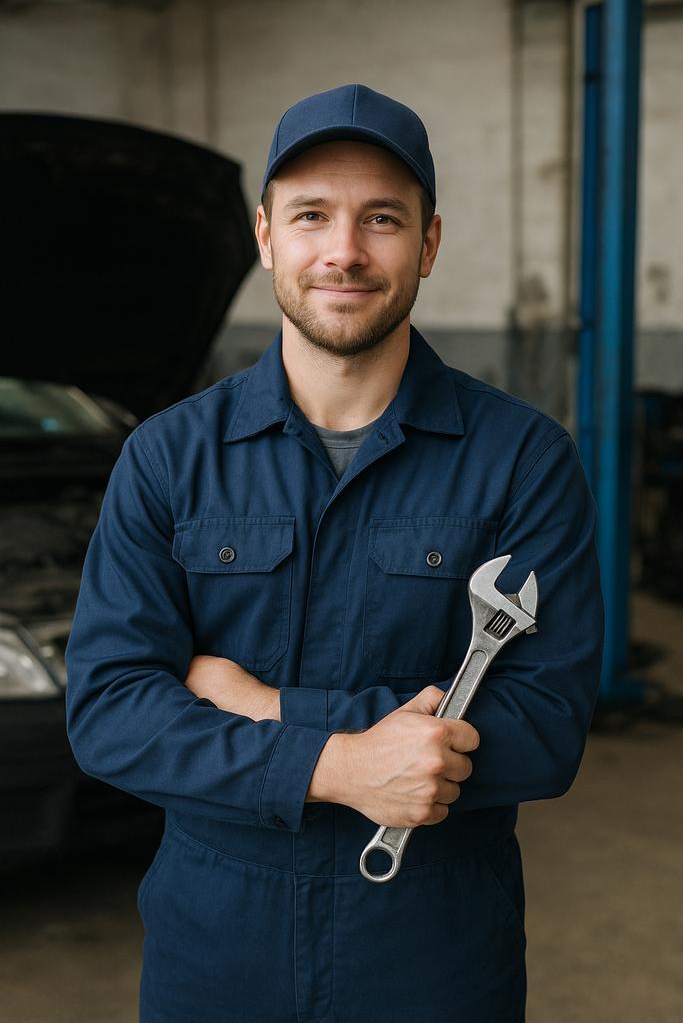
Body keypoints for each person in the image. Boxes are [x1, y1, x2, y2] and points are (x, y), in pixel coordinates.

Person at [65, 84, 604, 1023]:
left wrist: (264, 706)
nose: (344, 251)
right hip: (214, 955)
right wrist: (343, 766)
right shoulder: (168, 455)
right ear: (267, 236)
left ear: (428, 243)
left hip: (432, 960)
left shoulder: (523, 459)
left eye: (381, 218)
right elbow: (110, 709)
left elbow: (546, 728)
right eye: (311, 214)